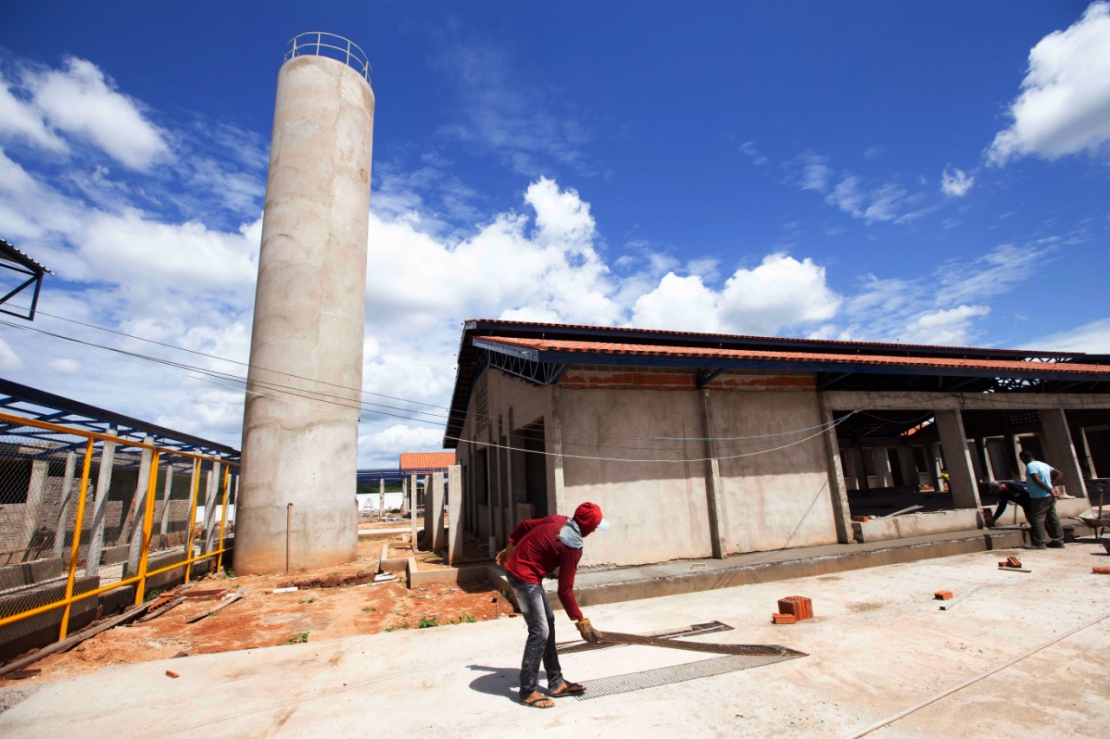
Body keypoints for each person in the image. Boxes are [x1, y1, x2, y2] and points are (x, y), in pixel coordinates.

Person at [495, 502, 610, 708]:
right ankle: (527, 691)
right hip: (523, 576)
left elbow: (524, 525)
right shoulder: (572, 545)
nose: (594, 530)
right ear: (586, 525)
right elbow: (564, 589)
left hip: (524, 571)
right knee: (539, 631)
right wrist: (581, 620)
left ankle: (556, 682)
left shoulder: (559, 520)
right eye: (594, 525)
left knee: (547, 622)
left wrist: (509, 548)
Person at [1020, 450, 1065, 549]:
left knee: (1037, 519)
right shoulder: (1043, 465)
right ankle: (1058, 541)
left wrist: (1050, 489)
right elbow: (1059, 474)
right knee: (1052, 517)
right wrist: (1051, 487)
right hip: (1049, 496)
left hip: (1039, 496)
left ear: (1023, 458)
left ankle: (1039, 543)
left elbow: (1037, 480)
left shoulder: (1031, 466)